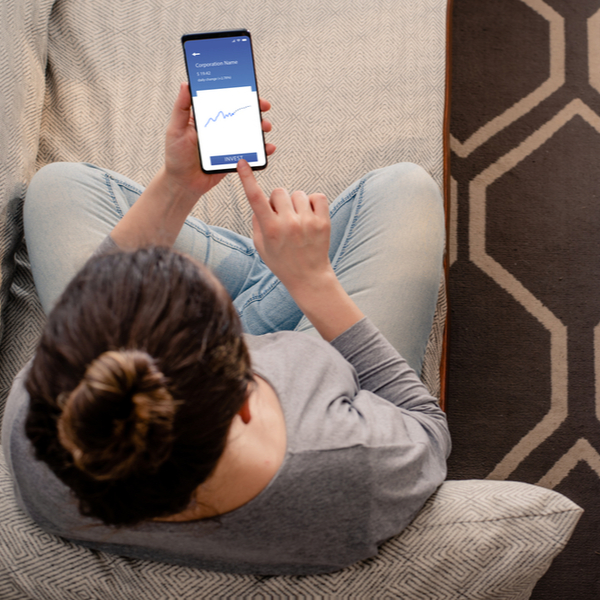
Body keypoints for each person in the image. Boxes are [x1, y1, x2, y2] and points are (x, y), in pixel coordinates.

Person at [2, 84, 450, 575]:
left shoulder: (40, 424)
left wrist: (178, 186)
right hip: (316, 348)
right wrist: (312, 282)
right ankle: (275, 272)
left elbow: (93, 296)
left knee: (58, 187)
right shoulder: (344, 464)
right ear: (247, 385)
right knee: (403, 188)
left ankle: (267, 270)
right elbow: (425, 427)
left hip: (195, 379)